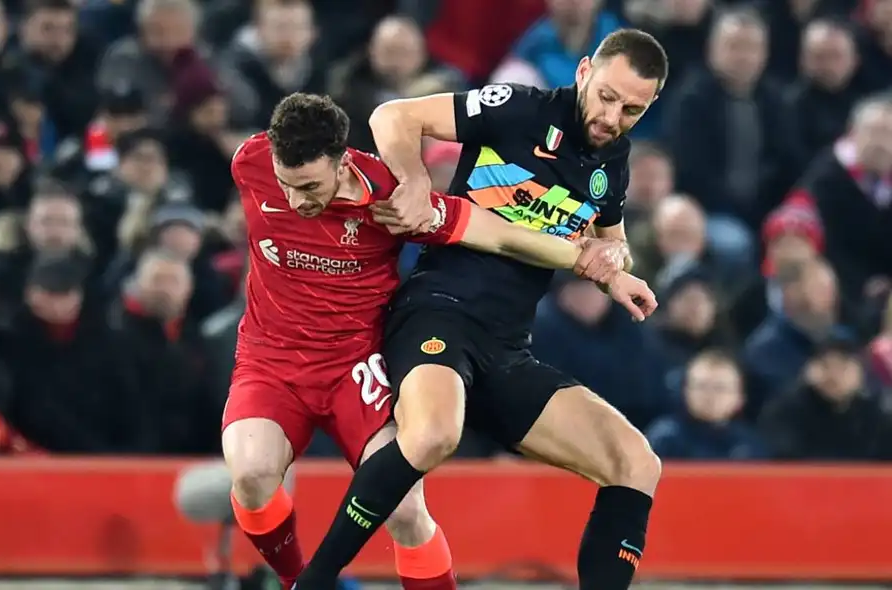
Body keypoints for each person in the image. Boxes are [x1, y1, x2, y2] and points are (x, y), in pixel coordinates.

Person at [223, 93, 656, 590]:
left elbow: (497, 233)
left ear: (343, 162)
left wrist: (586, 263)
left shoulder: (391, 200)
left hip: (357, 365)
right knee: (253, 474)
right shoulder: (250, 162)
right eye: (288, 184)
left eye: (311, 187)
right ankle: (295, 579)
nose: (298, 200)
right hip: (270, 358)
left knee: (406, 511)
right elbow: (389, 115)